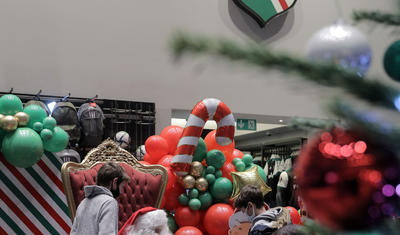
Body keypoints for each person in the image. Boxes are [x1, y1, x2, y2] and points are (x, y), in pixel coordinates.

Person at [70, 162, 130, 235]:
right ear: (115, 181)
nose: (121, 192)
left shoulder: (83, 202)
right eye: (122, 186)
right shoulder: (109, 202)